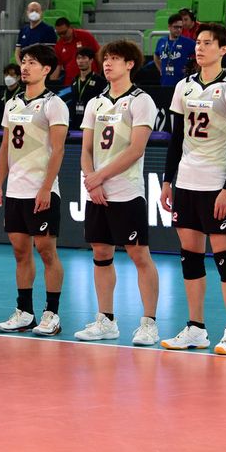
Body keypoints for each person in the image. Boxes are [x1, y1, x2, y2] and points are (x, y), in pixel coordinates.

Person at [159, 23, 226, 355]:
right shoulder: (183, 86)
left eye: (207, 43)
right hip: (186, 181)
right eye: (197, 42)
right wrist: (168, 181)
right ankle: (196, 327)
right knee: (190, 256)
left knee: (224, 255)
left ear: (223, 49)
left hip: (216, 184)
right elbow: (174, 140)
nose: (199, 48)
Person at [74, 40, 161, 345]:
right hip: (98, 193)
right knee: (100, 252)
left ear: (130, 65)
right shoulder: (97, 103)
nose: (107, 64)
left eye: (115, 59)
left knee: (139, 255)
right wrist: (93, 180)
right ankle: (105, 320)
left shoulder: (141, 101)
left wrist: (99, 176)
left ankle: (149, 322)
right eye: (106, 59)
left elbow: (137, 150)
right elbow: (85, 149)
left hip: (127, 191)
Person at [0, 43, 68, 335]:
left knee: (46, 251)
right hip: (16, 191)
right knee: (20, 252)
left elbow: (59, 150)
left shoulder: (54, 104)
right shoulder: (12, 103)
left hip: (41, 190)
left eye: (32, 62)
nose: (25, 67)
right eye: (24, 61)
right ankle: (24, 311)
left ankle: (52, 313)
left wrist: (47, 187)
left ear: (46, 69)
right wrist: (0, 184)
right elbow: (5, 148)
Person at [52, 17, 100, 85]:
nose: (62, 35)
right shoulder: (58, 45)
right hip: (70, 82)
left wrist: (101, 73)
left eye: (64, 32)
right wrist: (51, 83)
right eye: (59, 34)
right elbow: (57, 66)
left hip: (91, 80)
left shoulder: (85, 36)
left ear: (70, 27)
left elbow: (98, 54)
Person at [153, 13, 196, 87]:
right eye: (176, 27)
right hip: (165, 82)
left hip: (182, 83)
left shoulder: (188, 42)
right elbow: (156, 55)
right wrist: (160, 69)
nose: (179, 30)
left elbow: (201, 52)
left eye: (180, 27)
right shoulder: (161, 41)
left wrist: (196, 70)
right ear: (169, 27)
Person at [68, 47, 106, 129]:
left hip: (92, 120)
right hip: (76, 119)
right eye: (78, 58)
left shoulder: (100, 81)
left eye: (84, 58)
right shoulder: (74, 81)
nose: (80, 61)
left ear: (91, 60)